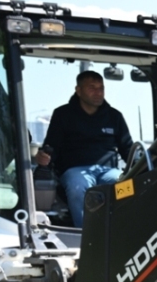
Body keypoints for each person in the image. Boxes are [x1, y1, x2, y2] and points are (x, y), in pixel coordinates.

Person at [35, 70, 133, 227]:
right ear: (78, 90)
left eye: (101, 88)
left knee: (125, 185)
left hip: (109, 171)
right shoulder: (62, 114)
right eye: (92, 88)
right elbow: (52, 147)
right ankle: (85, 235)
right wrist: (44, 157)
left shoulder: (115, 116)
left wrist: (143, 166)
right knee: (78, 185)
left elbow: (128, 149)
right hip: (74, 170)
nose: (98, 92)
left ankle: (121, 232)